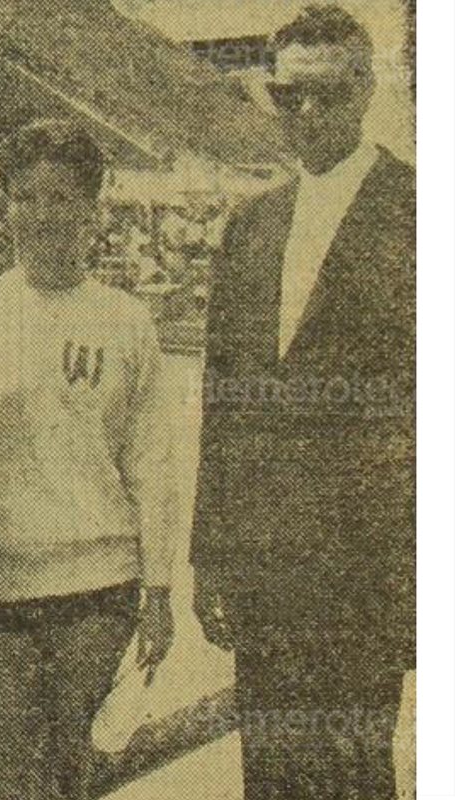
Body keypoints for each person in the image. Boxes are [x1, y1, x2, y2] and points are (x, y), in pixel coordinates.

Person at [190, 6, 415, 799]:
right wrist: (207, 554)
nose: (308, 114)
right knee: (272, 775)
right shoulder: (250, 226)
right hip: (263, 566)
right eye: (291, 97)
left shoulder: (418, 216)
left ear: (364, 92)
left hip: (363, 570)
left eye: (327, 94)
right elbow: (222, 405)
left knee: (352, 774)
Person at [0, 120, 177, 800]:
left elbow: (152, 461)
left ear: (91, 207)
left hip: (97, 587)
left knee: (65, 783)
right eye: (26, 197)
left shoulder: (125, 320)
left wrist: (159, 589)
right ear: (6, 207)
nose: (43, 214)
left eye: (60, 197)